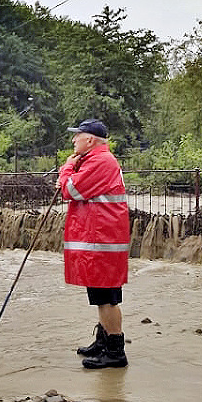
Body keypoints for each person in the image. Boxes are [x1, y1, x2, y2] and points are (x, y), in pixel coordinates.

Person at [57, 119, 130, 369]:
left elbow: (71, 190)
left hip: (103, 241)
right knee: (101, 295)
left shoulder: (100, 161)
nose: (73, 140)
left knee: (107, 297)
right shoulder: (95, 160)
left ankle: (115, 352)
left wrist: (67, 168)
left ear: (90, 140)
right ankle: (103, 341)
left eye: (77, 136)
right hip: (100, 239)